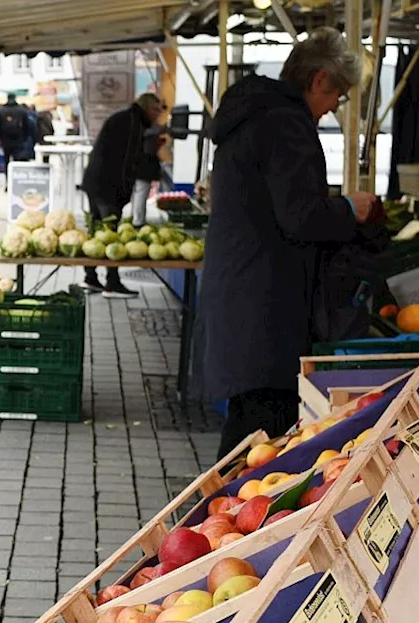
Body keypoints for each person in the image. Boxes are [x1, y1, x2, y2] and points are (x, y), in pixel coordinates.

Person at [200, 27, 379, 459]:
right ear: (319, 80)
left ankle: (224, 520)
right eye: (339, 95)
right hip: (267, 306)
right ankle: (218, 523)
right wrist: (348, 210)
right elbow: (302, 217)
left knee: (250, 431)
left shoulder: (253, 116)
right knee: (257, 440)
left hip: (243, 296)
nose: (336, 106)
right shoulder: (286, 124)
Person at [79, 93, 164, 298]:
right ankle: (112, 283)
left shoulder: (125, 118)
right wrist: (125, 192)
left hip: (95, 180)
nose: (158, 115)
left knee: (96, 230)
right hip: (108, 185)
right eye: (156, 110)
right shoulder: (134, 123)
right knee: (110, 234)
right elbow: (128, 160)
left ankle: (90, 278)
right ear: (148, 108)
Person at [131, 111, 169, 227]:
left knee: (138, 192)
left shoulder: (139, 124)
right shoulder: (144, 126)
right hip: (144, 163)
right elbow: (152, 133)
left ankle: (136, 218)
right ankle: (138, 221)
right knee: (141, 191)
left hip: (140, 163)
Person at [0, 94, 35, 163]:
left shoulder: (1, 111)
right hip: (18, 139)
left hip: (5, 139)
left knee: (6, 159)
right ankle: (15, 173)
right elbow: (27, 125)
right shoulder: (21, 111)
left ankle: (7, 172)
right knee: (17, 159)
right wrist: (24, 137)